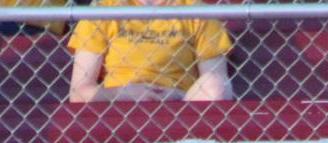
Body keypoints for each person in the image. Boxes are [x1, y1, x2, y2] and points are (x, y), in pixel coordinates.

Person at [67, 0, 231, 106]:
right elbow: (79, 91)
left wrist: (178, 97)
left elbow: (216, 80)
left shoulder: (197, 12)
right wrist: (122, 94)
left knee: (217, 83)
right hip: (120, 107)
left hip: (180, 107)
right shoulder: (103, 10)